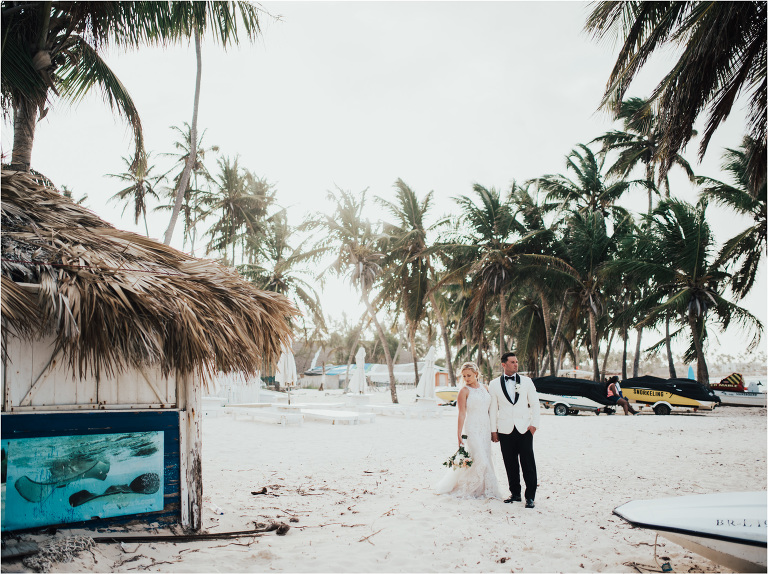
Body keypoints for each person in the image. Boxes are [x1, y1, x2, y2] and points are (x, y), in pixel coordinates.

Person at [435, 362, 501, 499]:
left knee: (486, 457)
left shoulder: (485, 388)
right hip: (472, 428)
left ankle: (484, 490)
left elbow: (491, 409)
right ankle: (469, 489)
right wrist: (459, 434)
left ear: (476, 374)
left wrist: (494, 428)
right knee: (480, 459)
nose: (466, 378)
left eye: (469, 375)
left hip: (485, 427)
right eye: (464, 376)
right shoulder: (464, 391)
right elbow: (462, 414)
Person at [489, 352, 540, 508]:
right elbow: (493, 409)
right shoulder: (494, 384)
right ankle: (515, 494)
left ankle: (530, 497)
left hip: (524, 429)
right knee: (510, 464)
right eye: (512, 362)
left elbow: (535, 404)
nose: (516, 364)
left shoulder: (527, 382)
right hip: (504, 430)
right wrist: (493, 430)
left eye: (517, 362)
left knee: (528, 464)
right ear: (503, 364)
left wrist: (534, 425)